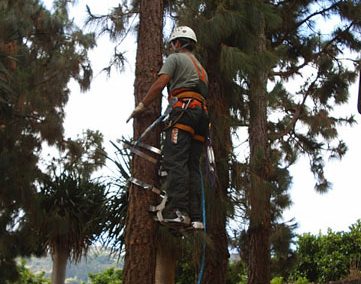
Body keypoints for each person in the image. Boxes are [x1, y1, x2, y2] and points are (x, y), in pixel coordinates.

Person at [127, 26, 209, 229]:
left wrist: (142, 105)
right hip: (201, 117)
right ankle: (195, 217)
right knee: (192, 166)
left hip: (184, 112)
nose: (172, 47)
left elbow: (161, 82)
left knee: (175, 161)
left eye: (173, 43)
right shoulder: (201, 68)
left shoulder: (175, 59)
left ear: (179, 43)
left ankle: (176, 211)